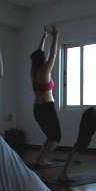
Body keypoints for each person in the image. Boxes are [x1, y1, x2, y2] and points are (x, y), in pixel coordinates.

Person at [30, 24, 61, 166]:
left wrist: (44, 37)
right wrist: (56, 37)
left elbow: (39, 52)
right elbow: (54, 53)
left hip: (37, 109)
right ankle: (41, 160)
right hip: (47, 108)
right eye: (44, 56)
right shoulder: (44, 72)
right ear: (42, 59)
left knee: (50, 136)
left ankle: (40, 160)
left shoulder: (33, 70)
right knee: (56, 137)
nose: (46, 56)